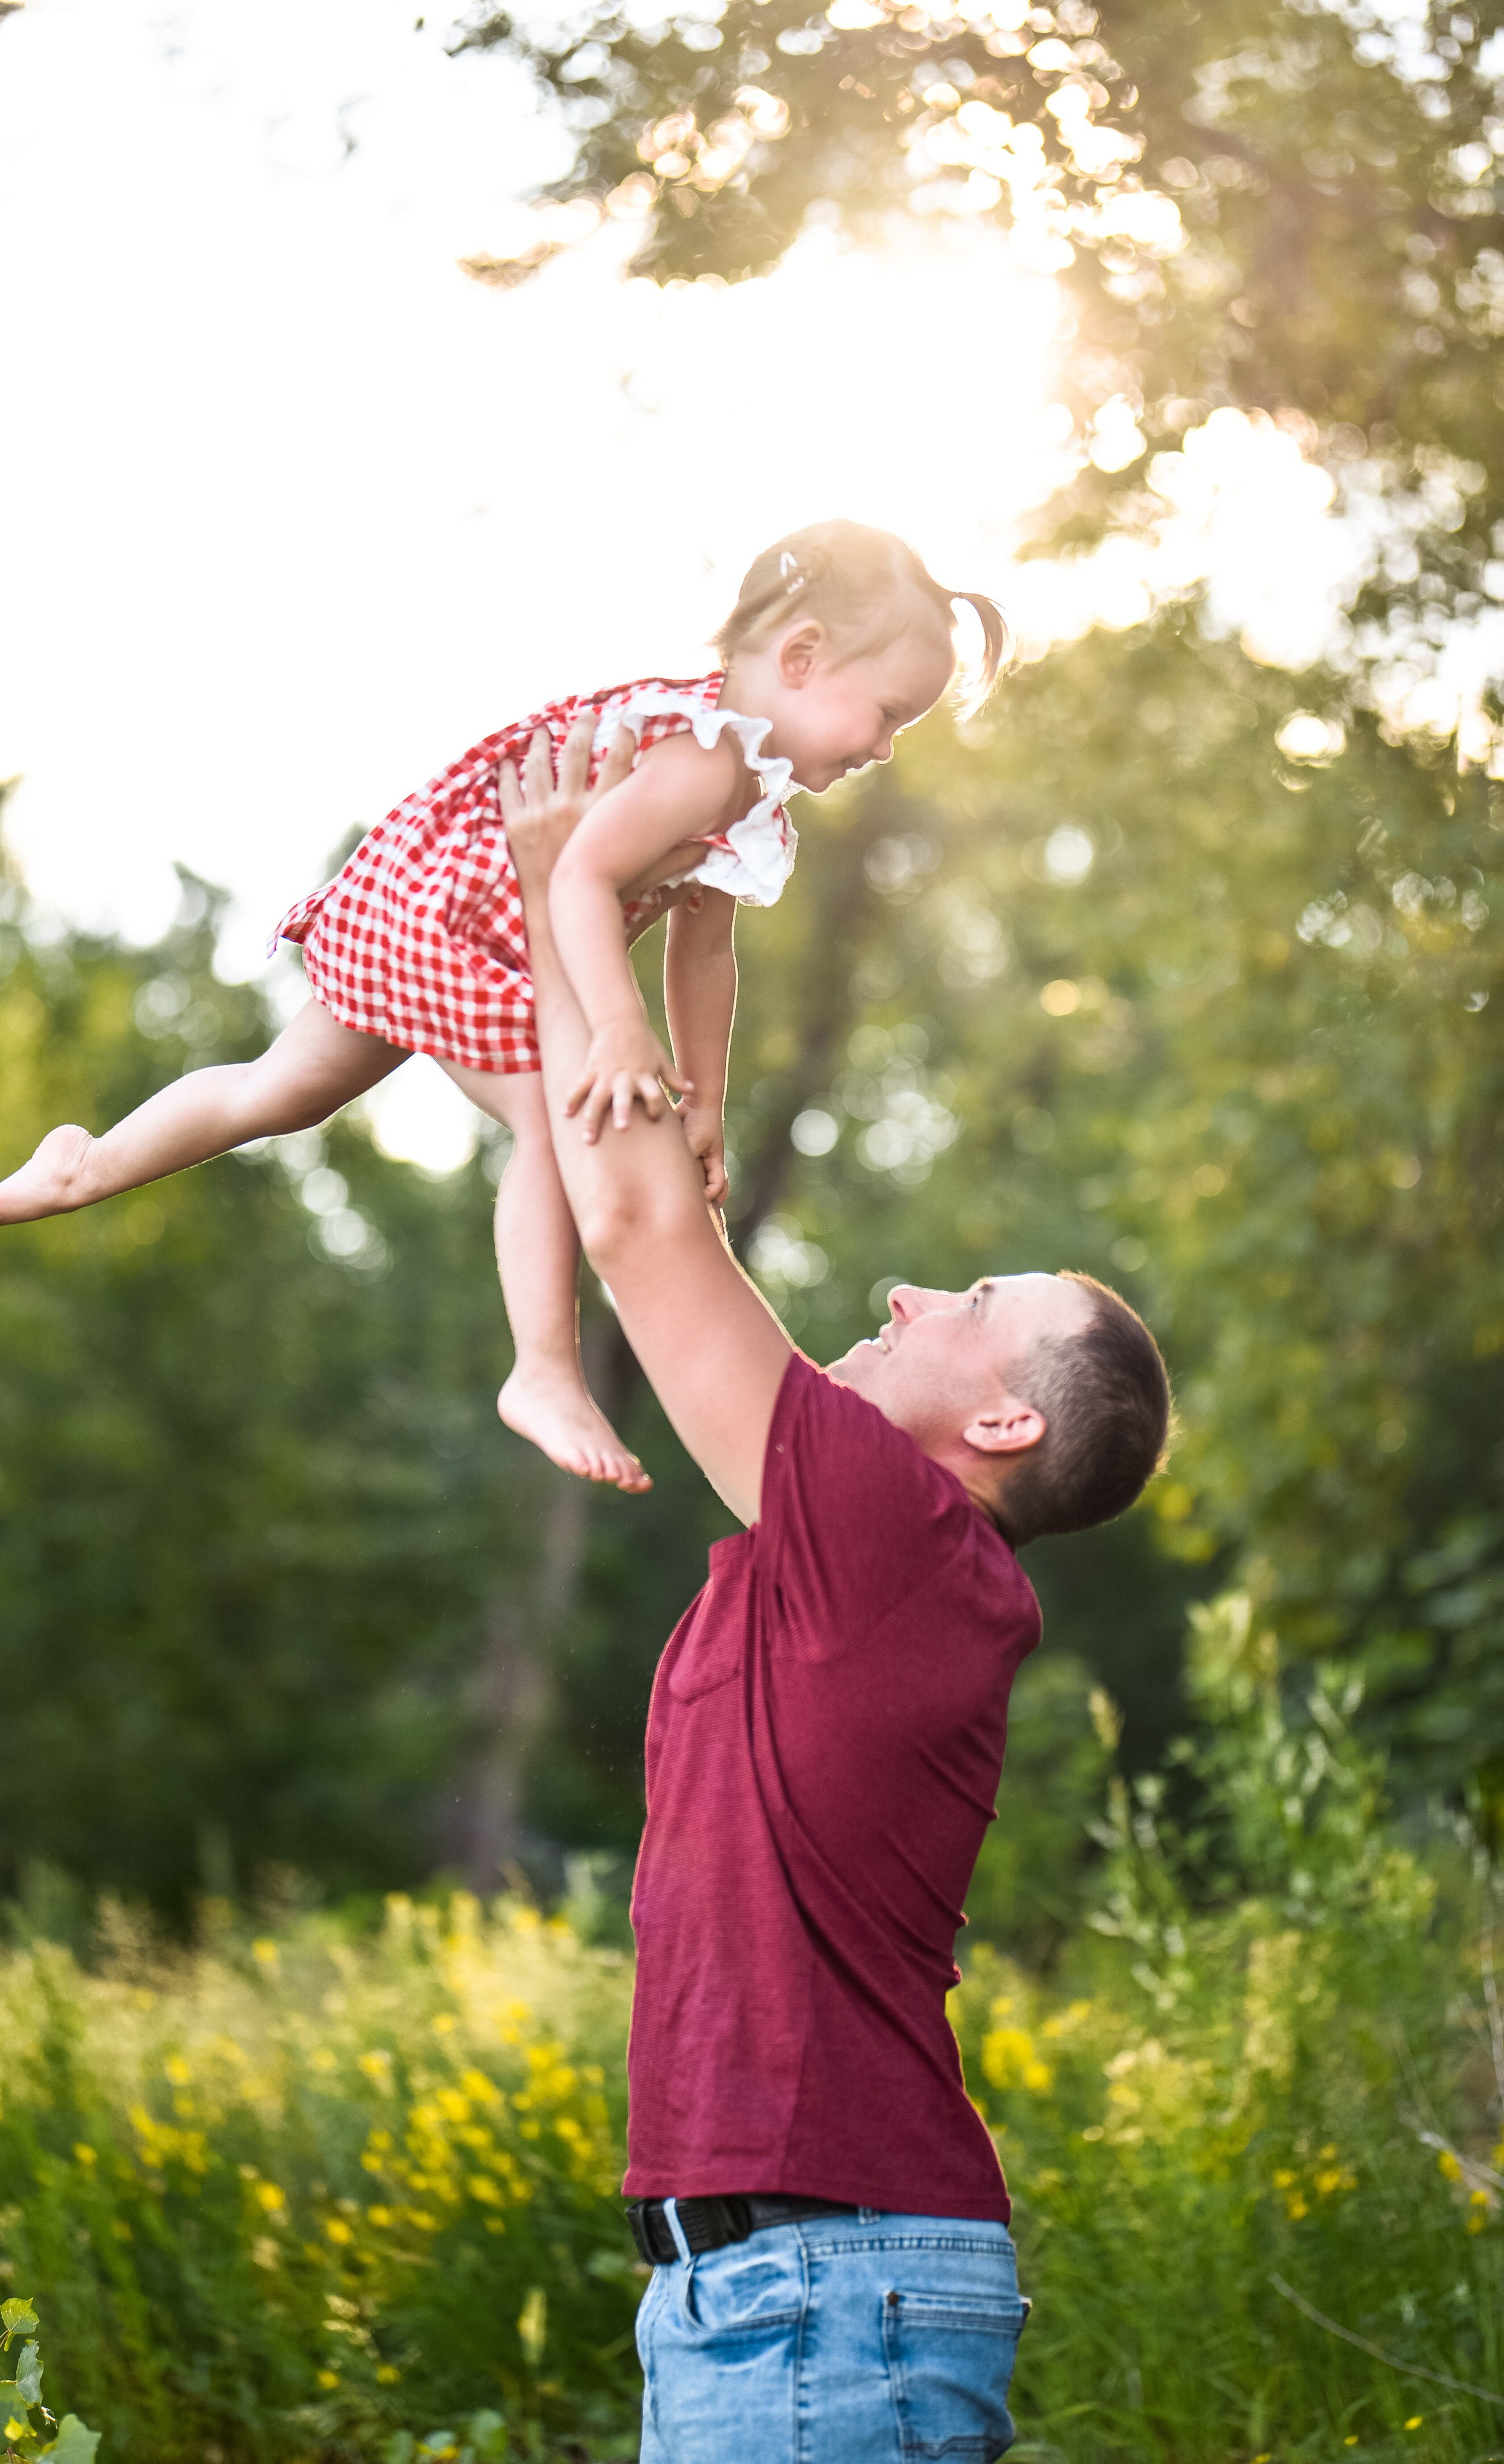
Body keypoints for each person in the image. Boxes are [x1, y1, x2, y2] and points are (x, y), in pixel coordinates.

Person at [496, 717, 1172, 2464]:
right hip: (778, 2301)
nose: (902, 1292)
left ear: (1005, 1419)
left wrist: (564, 880)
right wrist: (613, 942)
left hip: (825, 2297)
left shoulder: (902, 1543)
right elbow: (607, 1177)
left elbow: (647, 1235)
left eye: (965, 1300)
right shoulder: (852, 1570)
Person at [0, 520, 1007, 1494]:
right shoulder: (699, 756)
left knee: (285, 1089)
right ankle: (540, 1369)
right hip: (447, 918)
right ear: (805, 657)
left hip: (441, 913)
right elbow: (581, 880)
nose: (885, 748)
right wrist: (620, 1030)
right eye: (888, 714)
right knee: (562, 1113)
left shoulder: (745, 781)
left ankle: (86, 1161)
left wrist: (705, 1101)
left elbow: (705, 942)